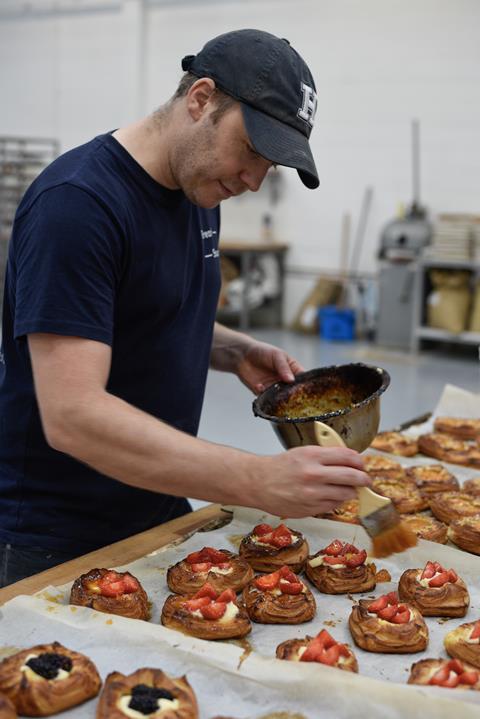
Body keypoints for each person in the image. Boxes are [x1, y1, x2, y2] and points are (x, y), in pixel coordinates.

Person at [0, 29, 370, 587]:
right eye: (251, 150)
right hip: (58, 537)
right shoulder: (77, 207)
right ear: (200, 99)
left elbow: (137, 306)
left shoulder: (196, 188)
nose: (252, 180)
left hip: (157, 508)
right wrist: (254, 479)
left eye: (269, 166)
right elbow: (72, 415)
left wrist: (230, 347)